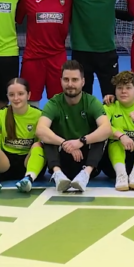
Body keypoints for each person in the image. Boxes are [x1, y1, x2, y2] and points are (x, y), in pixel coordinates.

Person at [36, 60, 112, 193]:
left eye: (75, 80)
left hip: (86, 159)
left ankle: (85, 175)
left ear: (83, 81)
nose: (70, 84)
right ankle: (58, 175)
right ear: (61, 81)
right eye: (66, 79)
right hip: (62, 159)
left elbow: (107, 129)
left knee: (101, 134)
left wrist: (81, 141)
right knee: (47, 135)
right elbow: (40, 130)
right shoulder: (54, 103)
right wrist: (65, 143)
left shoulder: (91, 102)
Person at [15, 0, 72, 107]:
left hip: (57, 58)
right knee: (31, 101)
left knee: (59, 101)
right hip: (33, 58)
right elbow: (15, 19)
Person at [0, 78, 46, 193]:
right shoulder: (1, 114)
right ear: (7, 96)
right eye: (12, 94)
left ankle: (28, 179)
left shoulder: (38, 115)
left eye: (20, 94)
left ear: (28, 95)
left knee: (38, 145)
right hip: (6, 164)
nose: (16, 98)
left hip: (28, 162)